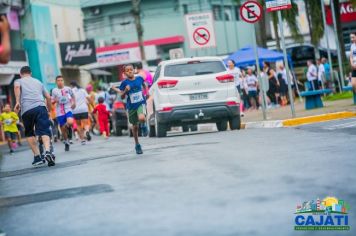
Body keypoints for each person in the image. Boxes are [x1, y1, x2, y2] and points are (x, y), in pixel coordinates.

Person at [14, 66, 55, 167]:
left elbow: (17, 87)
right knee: (45, 131)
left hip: (27, 110)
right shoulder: (38, 82)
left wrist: (17, 102)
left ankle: (37, 157)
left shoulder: (18, 81)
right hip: (41, 107)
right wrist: (49, 110)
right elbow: (48, 97)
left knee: (29, 133)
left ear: (20, 74)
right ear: (30, 73)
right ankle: (47, 151)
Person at [112, 64, 146, 154]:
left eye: (131, 69)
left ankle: (143, 126)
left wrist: (146, 93)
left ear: (134, 70)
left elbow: (144, 84)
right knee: (134, 127)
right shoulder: (124, 83)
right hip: (131, 106)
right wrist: (126, 90)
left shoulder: (139, 78)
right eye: (127, 70)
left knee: (142, 118)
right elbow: (122, 96)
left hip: (141, 103)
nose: (130, 71)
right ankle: (137, 144)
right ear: (124, 73)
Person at [51, 75, 76, 151]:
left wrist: (74, 103)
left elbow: (73, 96)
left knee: (70, 122)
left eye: (61, 80)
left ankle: (68, 127)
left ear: (63, 81)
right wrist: (56, 100)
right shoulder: (54, 90)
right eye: (58, 80)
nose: (60, 82)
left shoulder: (68, 89)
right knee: (62, 129)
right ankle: (66, 142)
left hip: (68, 109)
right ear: (56, 82)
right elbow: (52, 101)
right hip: (59, 112)